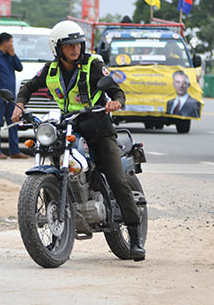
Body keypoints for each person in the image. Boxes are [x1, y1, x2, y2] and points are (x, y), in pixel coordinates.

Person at [11, 20, 146, 261]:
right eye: (69, 45)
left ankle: (135, 236)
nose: (75, 49)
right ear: (57, 48)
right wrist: (20, 105)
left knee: (116, 177)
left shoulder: (92, 65)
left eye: (78, 44)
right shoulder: (50, 71)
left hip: (99, 128)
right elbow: (28, 87)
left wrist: (115, 101)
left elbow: (116, 90)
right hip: (69, 125)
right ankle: (59, 230)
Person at [0, 32, 29, 160]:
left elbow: (19, 67)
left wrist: (13, 54)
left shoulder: (9, 57)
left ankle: (14, 150)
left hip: (10, 97)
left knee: (13, 123)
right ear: (5, 43)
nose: (12, 45)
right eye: (11, 42)